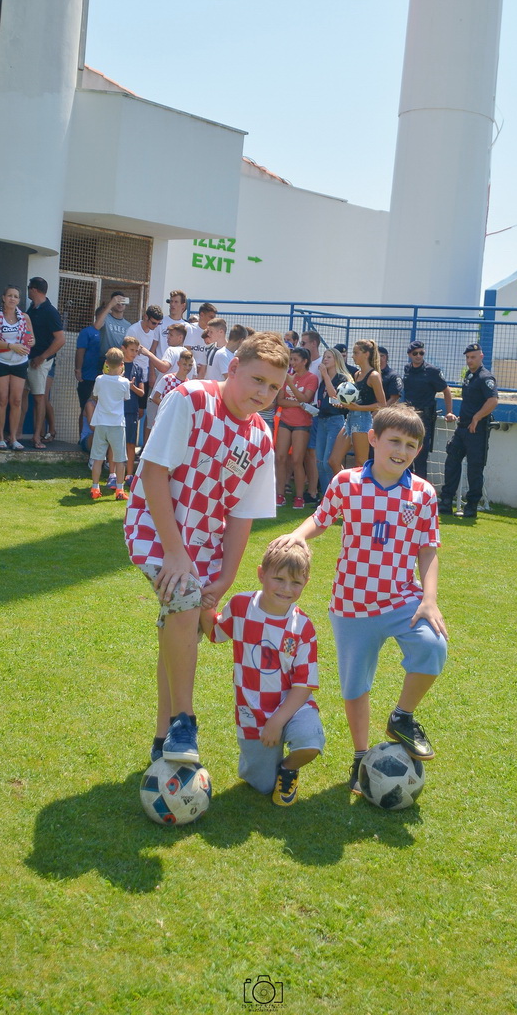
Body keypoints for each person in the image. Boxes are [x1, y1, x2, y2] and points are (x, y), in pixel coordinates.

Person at [124, 331, 290, 766]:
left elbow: (242, 516)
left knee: (179, 631)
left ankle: (163, 740)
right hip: (158, 531)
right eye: (256, 379)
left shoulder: (261, 440)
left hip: (206, 547)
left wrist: (225, 578)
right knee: (181, 601)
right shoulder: (191, 400)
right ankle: (184, 720)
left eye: (274, 387)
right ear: (232, 368)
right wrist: (177, 555)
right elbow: (153, 475)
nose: (263, 393)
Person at [274, 404, 448, 794]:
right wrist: (298, 535)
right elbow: (322, 518)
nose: (402, 451)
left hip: (404, 599)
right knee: (355, 688)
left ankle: (402, 717)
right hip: (352, 605)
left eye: (411, 445)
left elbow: (428, 548)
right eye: (394, 441)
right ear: (373, 439)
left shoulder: (422, 494)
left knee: (433, 646)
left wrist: (430, 598)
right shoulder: (347, 483)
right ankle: (359, 757)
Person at [198, 540, 324, 806]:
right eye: (278, 579)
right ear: (261, 574)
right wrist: (203, 604)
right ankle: (268, 768)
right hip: (251, 710)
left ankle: (288, 768)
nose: (286, 589)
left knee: (310, 742)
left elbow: (303, 685)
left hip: (292, 706)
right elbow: (215, 632)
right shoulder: (242, 606)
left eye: (296, 583)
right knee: (262, 785)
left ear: (306, 582)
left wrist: (277, 721)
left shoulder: (303, 627)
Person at [439, 343, 498, 520]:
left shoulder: (485, 377)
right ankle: (446, 501)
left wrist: (477, 418)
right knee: (451, 463)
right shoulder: (470, 376)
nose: (469, 360)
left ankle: (472, 506)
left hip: (476, 430)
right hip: (462, 427)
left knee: (474, 469)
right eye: (467, 357)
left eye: (473, 357)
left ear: (481, 356)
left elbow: (493, 400)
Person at [328, 340, 386, 474]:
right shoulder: (357, 374)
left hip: (363, 420)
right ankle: (346, 488)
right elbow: (355, 400)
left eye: (356, 353)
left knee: (361, 463)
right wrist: (344, 403)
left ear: (366, 354)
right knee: (333, 461)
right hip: (350, 418)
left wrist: (358, 408)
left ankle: (361, 493)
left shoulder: (374, 376)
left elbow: (382, 404)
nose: (352, 356)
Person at [0, 286, 34, 450]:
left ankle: (13, 438)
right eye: (9, 296)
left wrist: (29, 342)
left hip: (19, 362)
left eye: (16, 296)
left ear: (19, 300)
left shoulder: (25, 317)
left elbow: (32, 339)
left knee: (16, 400)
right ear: (3, 298)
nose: (12, 299)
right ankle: (0, 437)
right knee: (2, 399)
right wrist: (11, 346)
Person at [21, 277, 65, 449]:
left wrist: (43, 357)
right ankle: (16, 434)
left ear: (35, 289)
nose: (28, 291)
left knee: (41, 398)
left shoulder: (50, 312)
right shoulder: (32, 309)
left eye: (29, 287)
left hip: (43, 362)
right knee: (22, 396)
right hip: (27, 359)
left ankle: (39, 436)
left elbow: (60, 340)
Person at [402, 340, 455, 479]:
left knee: (420, 457)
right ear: (409, 354)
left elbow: (446, 390)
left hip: (424, 419)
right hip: (408, 417)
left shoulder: (432, 371)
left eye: (421, 353)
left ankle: (420, 493)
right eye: (415, 353)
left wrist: (449, 411)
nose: (418, 356)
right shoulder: (407, 369)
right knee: (405, 454)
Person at [274, 346, 318, 510]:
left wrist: (291, 385)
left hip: (302, 424)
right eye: (291, 359)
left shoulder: (311, 378)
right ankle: (280, 494)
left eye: (295, 360)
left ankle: (299, 497)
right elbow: (281, 401)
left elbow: (306, 398)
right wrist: (299, 404)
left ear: (304, 361)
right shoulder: (288, 377)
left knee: (297, 460)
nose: (292, 363)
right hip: (286, 421)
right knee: (280, 458)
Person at [89, 347, 130, 501]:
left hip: (101, 422)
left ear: (106, 363)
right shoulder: (125, 382)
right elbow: (126, 397)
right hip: (117, 424)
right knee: (120, 458)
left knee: (98, 458)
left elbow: (95, 395)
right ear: (122, 364)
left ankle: (95, 488)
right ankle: (119, 490)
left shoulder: (100, 379)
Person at [313, 346, 350, 496]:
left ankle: (337, 496)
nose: (325, 360)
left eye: (328, 357)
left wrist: (326, 377)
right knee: (320, 462)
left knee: (329, 461)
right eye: (324, 357)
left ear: (336, 360)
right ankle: (325, 498)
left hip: (335, 420)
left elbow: (335, 397)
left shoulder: (342, 378)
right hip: (322, 420)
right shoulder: (323, 379)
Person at [300, 330, 323, 503]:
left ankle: (314, 490)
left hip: (316, 412)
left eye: (304, 343)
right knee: (307, 453)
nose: (301, 346)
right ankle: (311, 488)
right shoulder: (307, 364)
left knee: (313, 452)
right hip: (304, 411)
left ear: (314, 344)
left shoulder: (323, 363)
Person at [121, 336, 148, 486]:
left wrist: (132, 387)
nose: (134, 353)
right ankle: (114, 474)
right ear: (123, 348)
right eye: (131, 350)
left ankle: (129, 475)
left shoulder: (138, 369)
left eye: (136, 351)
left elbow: (142, 393)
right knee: (116, 444)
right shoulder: (115, 365)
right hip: (116, 411)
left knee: (130, 444)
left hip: (131, 411)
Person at [74, 306, 104, 436]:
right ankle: (82, 438)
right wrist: (78, 369)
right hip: (88, 376)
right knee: (85, 408)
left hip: (103, 378)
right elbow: (80, 351)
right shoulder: (87, 332)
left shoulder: (108, 333)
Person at [95, 292, 132, 366]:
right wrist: (110, 305)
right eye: (117, 302)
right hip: (104, 359)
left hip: (120, 361)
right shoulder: (105, 318)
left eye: (123, 302)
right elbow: (96, 326)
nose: (120, 304)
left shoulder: (128, 325)